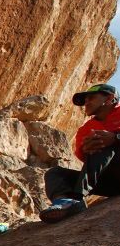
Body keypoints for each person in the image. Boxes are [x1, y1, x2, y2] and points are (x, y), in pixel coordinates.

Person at [39, 83, 120, 223]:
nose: (86, 103)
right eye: (85, 100)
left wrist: (116, 138)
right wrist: (87, 149)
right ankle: (64, 201)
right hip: (110, 180)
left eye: (91, 98)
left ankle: (76, 198)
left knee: (103, 143)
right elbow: (85, 158)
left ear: (109, 98)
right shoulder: (86, 129)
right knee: (55, 173)